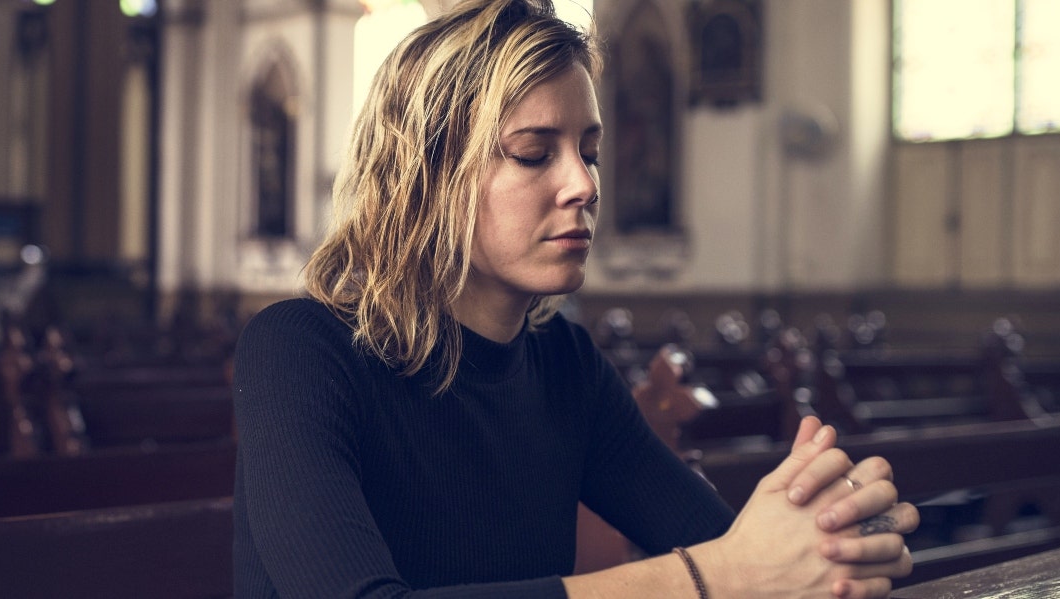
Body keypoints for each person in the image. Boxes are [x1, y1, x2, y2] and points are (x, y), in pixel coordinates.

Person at [232, 1, 919, 597]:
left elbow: (731, 544)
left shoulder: (565, 365)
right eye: (535, 152)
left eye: (588, 150)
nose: (585, 184)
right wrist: (712, 580)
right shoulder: (297, 351)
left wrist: (835, 536)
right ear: (427, 174)